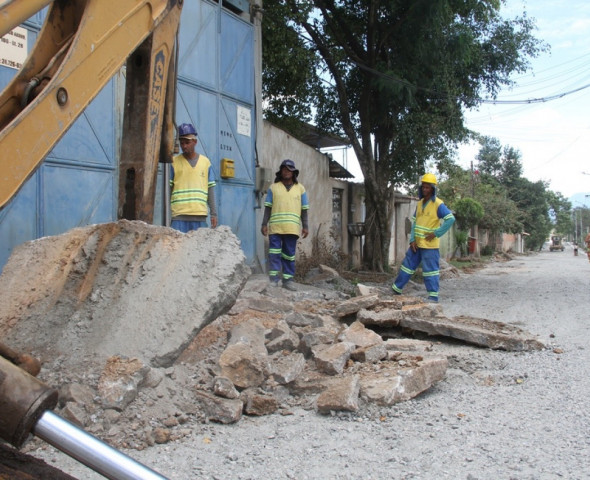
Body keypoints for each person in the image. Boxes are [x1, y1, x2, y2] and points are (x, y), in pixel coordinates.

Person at [392, 173, 455, 302]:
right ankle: (396, 289)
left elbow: (450, 219)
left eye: (428, 187)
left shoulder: (438, 204)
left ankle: (433, 296)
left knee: (430, 271)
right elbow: (415, 222)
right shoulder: (420, 203)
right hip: (417, 244)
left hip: (430, 246)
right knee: (406, 266)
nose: (425, 189)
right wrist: (412, 240)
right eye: (424, 187)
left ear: (433, 189)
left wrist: (436, 233)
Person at [261, 159, 309, 291]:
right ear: (280, 172)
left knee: (289, 255)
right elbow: (268, 208)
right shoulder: (273, 188)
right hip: (275, 228)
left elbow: (304, 209)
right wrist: (264, 223)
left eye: (289, 169)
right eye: (284, 169)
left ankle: (288, 281)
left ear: (293, 172)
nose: (286, 172)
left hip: (292, 229)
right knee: (274, 254)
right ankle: (274, 280)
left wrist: (305, 226)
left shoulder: (301, 189)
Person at [169, 123, 217, 232]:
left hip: (199, 217)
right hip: (178, 217)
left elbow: (211, 190)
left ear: (195, 142)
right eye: (182, 143)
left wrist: (213, 213)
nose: (184, 146)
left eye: (187, 142)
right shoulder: (174, 162)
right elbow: (169, 190)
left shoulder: (205, 163)